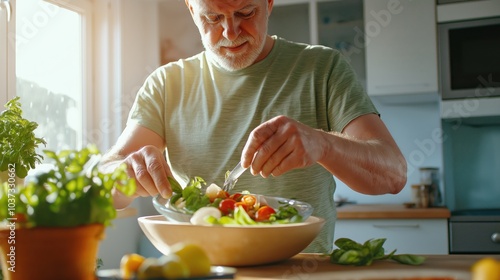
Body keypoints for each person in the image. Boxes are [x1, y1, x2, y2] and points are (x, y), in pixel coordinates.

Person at [101, 0, 407, 253]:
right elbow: (102, 186)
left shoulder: (322, 68)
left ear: (269, 3)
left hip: (304, 271)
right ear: (193, 12)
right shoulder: (166, 84)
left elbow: (393, 174)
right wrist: (122, 174)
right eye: (212, 17)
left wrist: (322, 144)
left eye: (246, 13)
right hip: (201, 270)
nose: (230, 32)